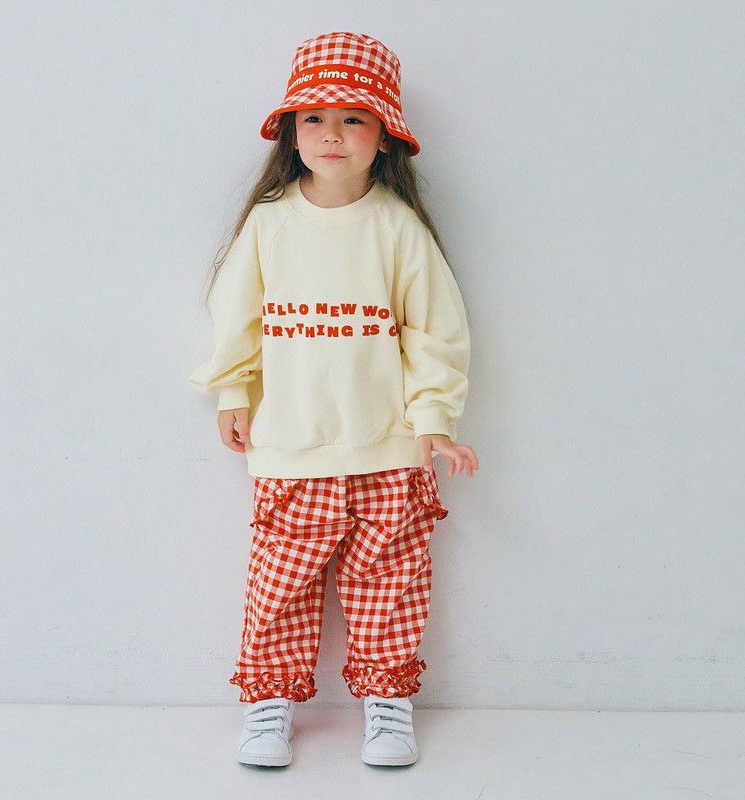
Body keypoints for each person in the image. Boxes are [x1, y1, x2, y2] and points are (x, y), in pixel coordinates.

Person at [188, 31, 479, 768]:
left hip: (390, 448)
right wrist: (233, 390)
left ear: (385, 136)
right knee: (281, 585)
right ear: (291, 131)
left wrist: (434, 419)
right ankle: (268, 703)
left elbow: (435, 330)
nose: (332, 133)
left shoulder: (398, 227)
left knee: (390, 582)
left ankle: (388, 703)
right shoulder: (270, 222)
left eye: (354, 118)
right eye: (313, 117)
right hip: (291, 444)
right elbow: (236, 316)